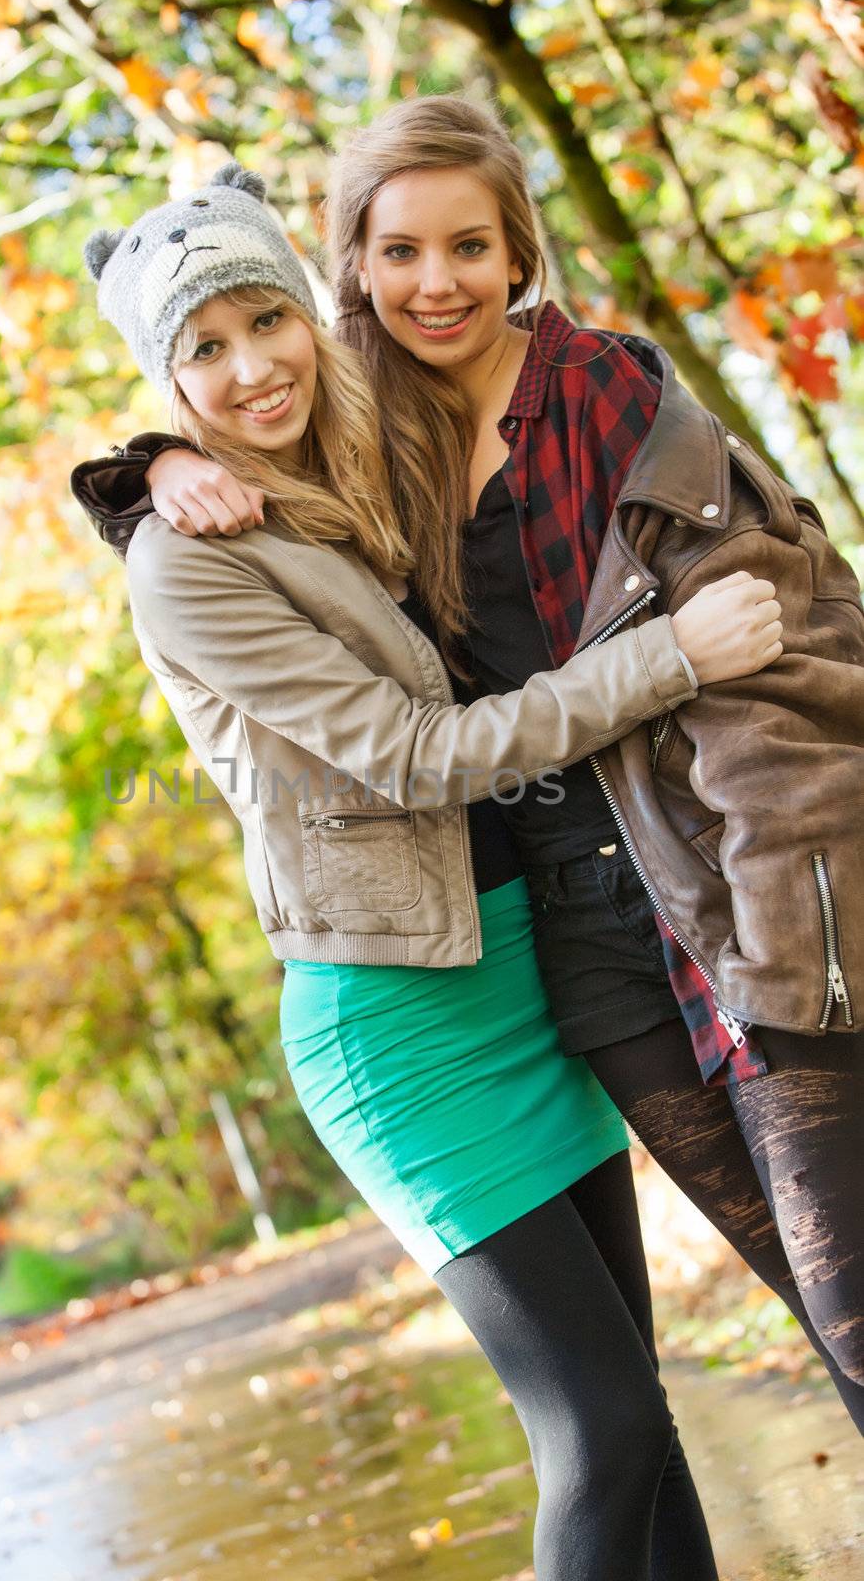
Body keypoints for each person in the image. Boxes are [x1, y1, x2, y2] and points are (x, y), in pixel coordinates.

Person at [72, 95, 864, 1434]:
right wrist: (142, 474)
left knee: (846, 1299)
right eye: (397, 254)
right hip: (585, 953)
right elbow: (236, 435)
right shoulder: (367, 430)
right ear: (355, 275)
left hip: (737, 892)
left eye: (468, 247)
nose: (434, 283)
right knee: (801, 1319)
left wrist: (796, 905)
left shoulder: (602, 391)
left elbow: (789, 632)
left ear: (519, 257)